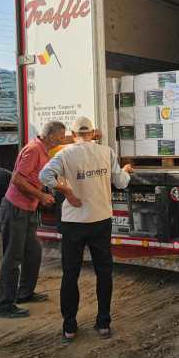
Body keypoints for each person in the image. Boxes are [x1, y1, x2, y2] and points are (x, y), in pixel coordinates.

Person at [40, 116, 133, 343]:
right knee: (104, 272)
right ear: (93, 133)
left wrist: (68, 192)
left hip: (73, 222)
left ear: (73, 133)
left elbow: (44, 176)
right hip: (100, 219)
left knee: (70, 274)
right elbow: (121, 182)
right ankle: (103, 323)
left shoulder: (65, 154)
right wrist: (127, 170)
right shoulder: (106, 152)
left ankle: (69, 327)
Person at [0, 120, 66, 318]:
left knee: (33, 252)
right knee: (13, 257)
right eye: (60, 137)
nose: (61, 141)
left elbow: (35, 178)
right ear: (51, 136)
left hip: (28, 209)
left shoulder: (44, 151)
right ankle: (4, 305)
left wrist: (45, 191)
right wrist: (41, 195)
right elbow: (17, 179)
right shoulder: (34, 150)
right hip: (15, 209)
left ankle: (24, 293)